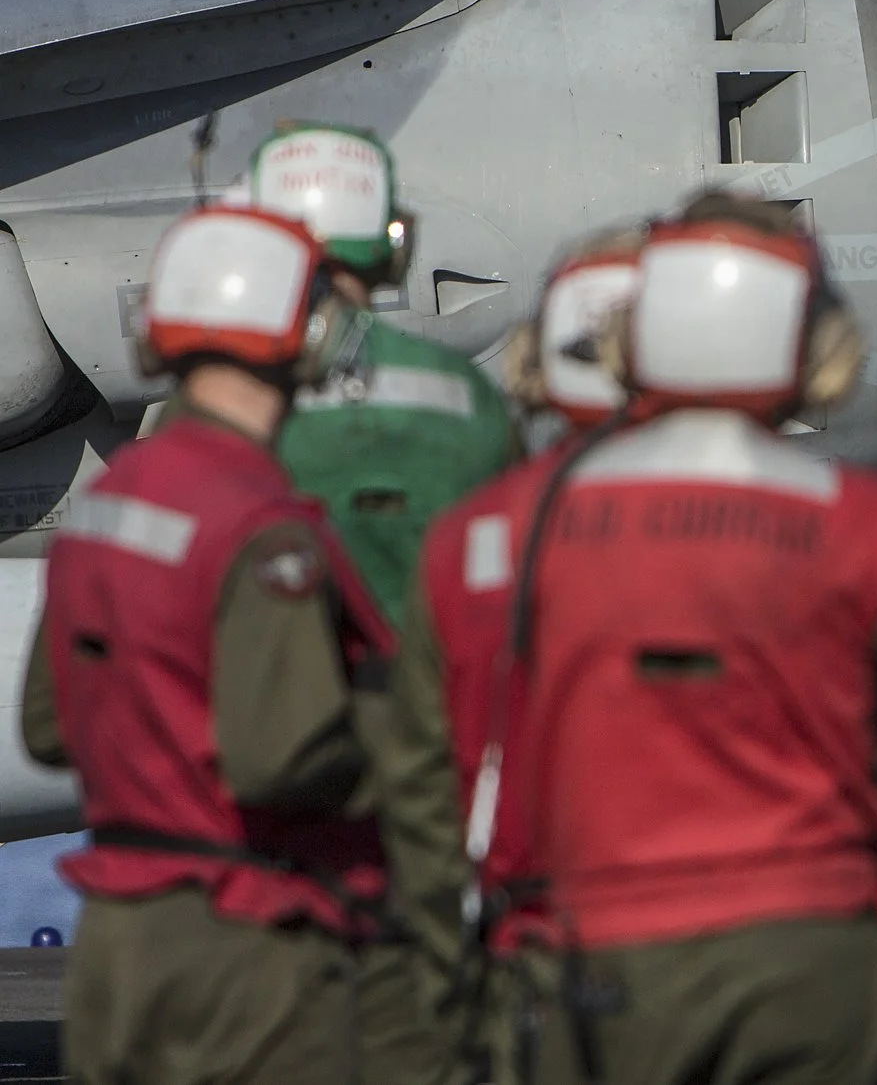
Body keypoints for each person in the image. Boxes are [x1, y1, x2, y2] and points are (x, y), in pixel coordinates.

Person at [386, 197, 877, 1085]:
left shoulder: (498, 536)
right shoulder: (872, 529)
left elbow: (430, 782)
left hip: (592, 963)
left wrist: (454, 989)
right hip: (812, 958)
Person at [20, 204, 395, 1084]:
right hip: (249, 945)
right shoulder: (264, 528)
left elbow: (48, 728)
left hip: (117, 946)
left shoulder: (105, 508)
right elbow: (281, 759)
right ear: (298, 333)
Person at [247, 121, 520, 1084]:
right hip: (428, 788)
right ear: (394, 244)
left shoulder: (228, 411)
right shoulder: (463, 399)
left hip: (273, 791)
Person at [376, 231, 643, 1082]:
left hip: (529, 950)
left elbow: (425, 773)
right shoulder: (797, 531)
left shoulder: (466, 542)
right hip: (721, 947)